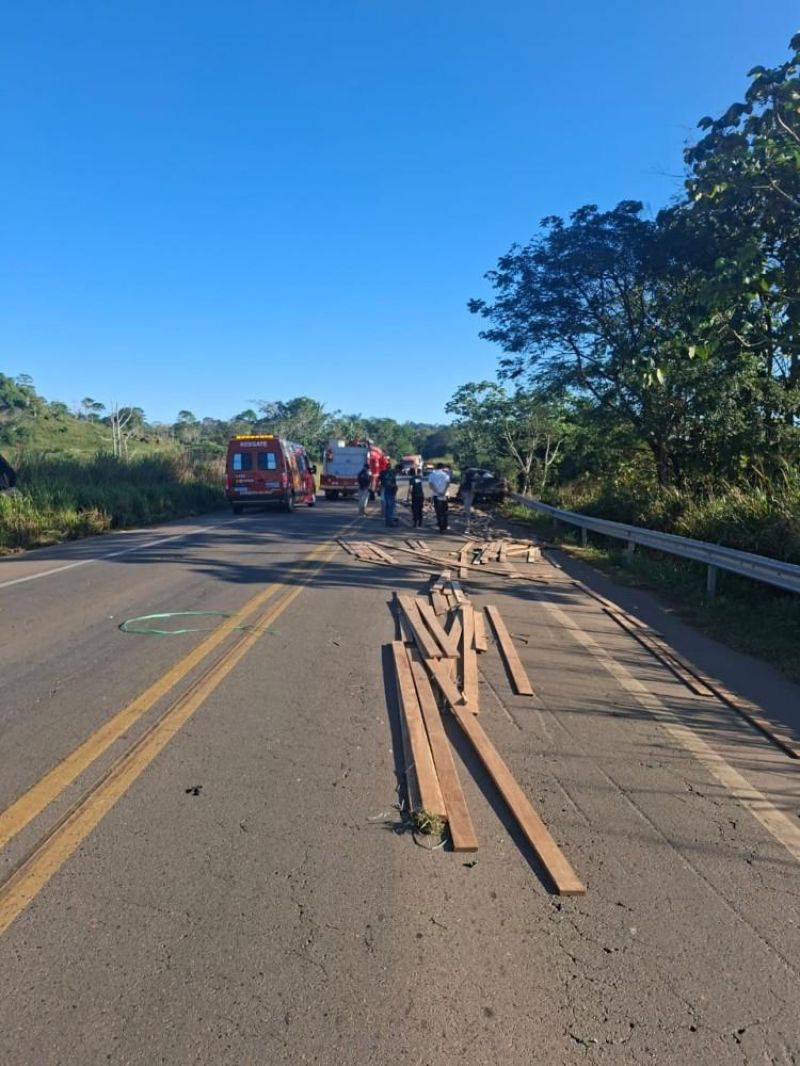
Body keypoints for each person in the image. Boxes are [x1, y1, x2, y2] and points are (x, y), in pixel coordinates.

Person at [428, 462, 451, 532]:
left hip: (436, 495)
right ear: (442, 467)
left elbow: (431, 484)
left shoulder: (432, 474)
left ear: (436, 467)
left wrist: (437, 491)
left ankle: (441, 527)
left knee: (439, 511)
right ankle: (445, 525)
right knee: (445, 510)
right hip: (445, 495)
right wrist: (444, 491)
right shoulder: (445, 474)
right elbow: (448, 483)